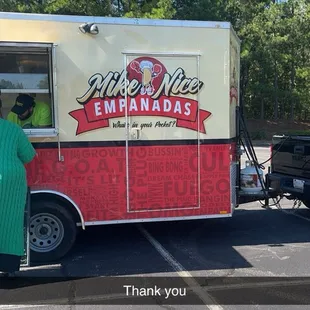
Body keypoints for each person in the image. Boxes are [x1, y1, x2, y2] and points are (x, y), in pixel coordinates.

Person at [0, 104, 36, 277]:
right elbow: (28, 155)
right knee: (10, 221)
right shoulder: (13, 129)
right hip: (11, 181)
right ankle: (9, 267)